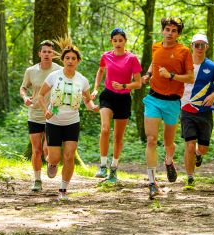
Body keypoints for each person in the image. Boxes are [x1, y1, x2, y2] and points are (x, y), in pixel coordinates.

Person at [37, 37, 98, 200]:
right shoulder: (54, 76)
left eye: (73, 58)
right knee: (56, 157)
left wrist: (93, 107)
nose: (70, 61)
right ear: (63, 60)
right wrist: (45, 111)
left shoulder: (82, 80)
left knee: (69, 155)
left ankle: (63, 190)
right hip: (53, 122)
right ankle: (50, 159)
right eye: (67, 58)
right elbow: (41, 95)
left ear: (78, 61)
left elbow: (87, 100)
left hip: (72, 122)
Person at [141, 16, 194, 199]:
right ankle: (152, 182)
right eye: (167, 29)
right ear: (162, 31)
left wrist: (171, 76)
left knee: (168, 143)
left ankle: (169, 160)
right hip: (153, 98)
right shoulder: (155, 46)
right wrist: (148, 74)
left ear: (178, 34)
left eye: (174, 31)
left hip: (172, 102)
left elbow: (190, 78)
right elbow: (154, 62)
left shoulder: (184, 51)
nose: (170, 33)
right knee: (151, 139)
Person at [91, 28, 142, 183]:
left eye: (121, 40)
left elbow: (138, 83)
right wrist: (95, 88)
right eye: (115, 40)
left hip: (123, 98)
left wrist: (125, 86)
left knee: (118, 137)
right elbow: (100, 71)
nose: (118, 43)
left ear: (125, 41)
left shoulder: (132, 58)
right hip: (107, 96)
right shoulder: (106, 56)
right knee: (105, 129)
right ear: (111, 41)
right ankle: (102, 165)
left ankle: (113, 168)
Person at [180, 33, 214, 187]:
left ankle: (199, 155)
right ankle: (190, 178)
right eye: (196, 45)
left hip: (205, 111)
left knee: (203, 148)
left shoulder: (212, 66)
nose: (199, 48)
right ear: (191, 46)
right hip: (186, 109)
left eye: (202, 45)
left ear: (207, 47)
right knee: (190, 144)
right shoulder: (183, 64)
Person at [20, 40, 62, 192]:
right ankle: (37, 180)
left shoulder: (59, 70)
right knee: (36, 150)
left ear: (53, 54)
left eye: (49, 52)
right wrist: (25, 98)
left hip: (52, 114)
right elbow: (23, 88)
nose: (46, 54)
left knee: (47, 149)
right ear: (39, 53)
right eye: (44, 51)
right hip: (35, 113)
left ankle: (52, 162)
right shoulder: (31, 71)